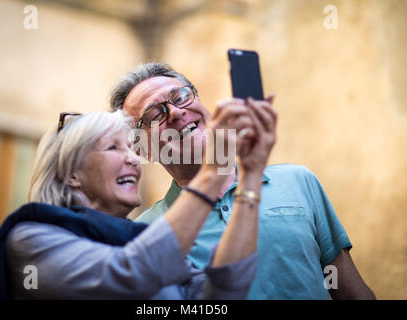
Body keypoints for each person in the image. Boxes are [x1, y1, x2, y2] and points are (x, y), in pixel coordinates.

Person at [110, 62, 376, 300]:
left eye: (180, 96)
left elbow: (351, 292)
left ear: (201, 103)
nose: (176, 113)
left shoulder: (298, 182)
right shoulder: (144, 233)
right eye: (155, 115)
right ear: (141, 148)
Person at [0, 108, 265, 300]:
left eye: (131, 148)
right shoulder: (31, 239)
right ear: (71, 174)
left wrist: (250, 175)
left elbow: (220, 295)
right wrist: (212, 173)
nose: (133, 159)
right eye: (114, 147)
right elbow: (131, 273)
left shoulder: (142, 238)